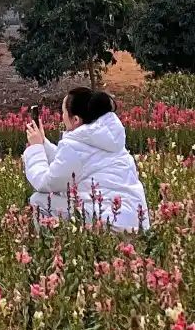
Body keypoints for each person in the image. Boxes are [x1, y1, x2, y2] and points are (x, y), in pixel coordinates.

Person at [23, 88, 149, 231]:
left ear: (76, 119)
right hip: (138, 223)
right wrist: (43, 144)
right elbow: (72, 164)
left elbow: (45, 182)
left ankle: (50, 249)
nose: (62, 117)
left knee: (39, 201)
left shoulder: (76, 146)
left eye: (64, 112)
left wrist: (36, 149)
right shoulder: (107, 138)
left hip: (110, 224)